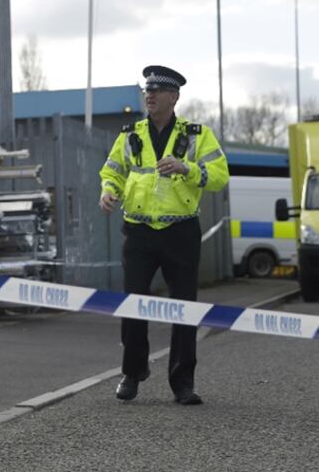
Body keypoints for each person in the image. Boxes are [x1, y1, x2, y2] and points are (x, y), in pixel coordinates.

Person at [98, 65, 229, 406]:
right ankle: (132, 372)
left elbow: (220, 176)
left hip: (181, 231)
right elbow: (112, 171)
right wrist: (108, 191)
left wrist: (188, 168)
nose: (150, 95)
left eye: (157, 91)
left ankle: (182, 383)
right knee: (133, 303)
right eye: (147, 90)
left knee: (184, 308)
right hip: (139, 231)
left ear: (174, 97)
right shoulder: (130, 134)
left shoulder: (198, 135)